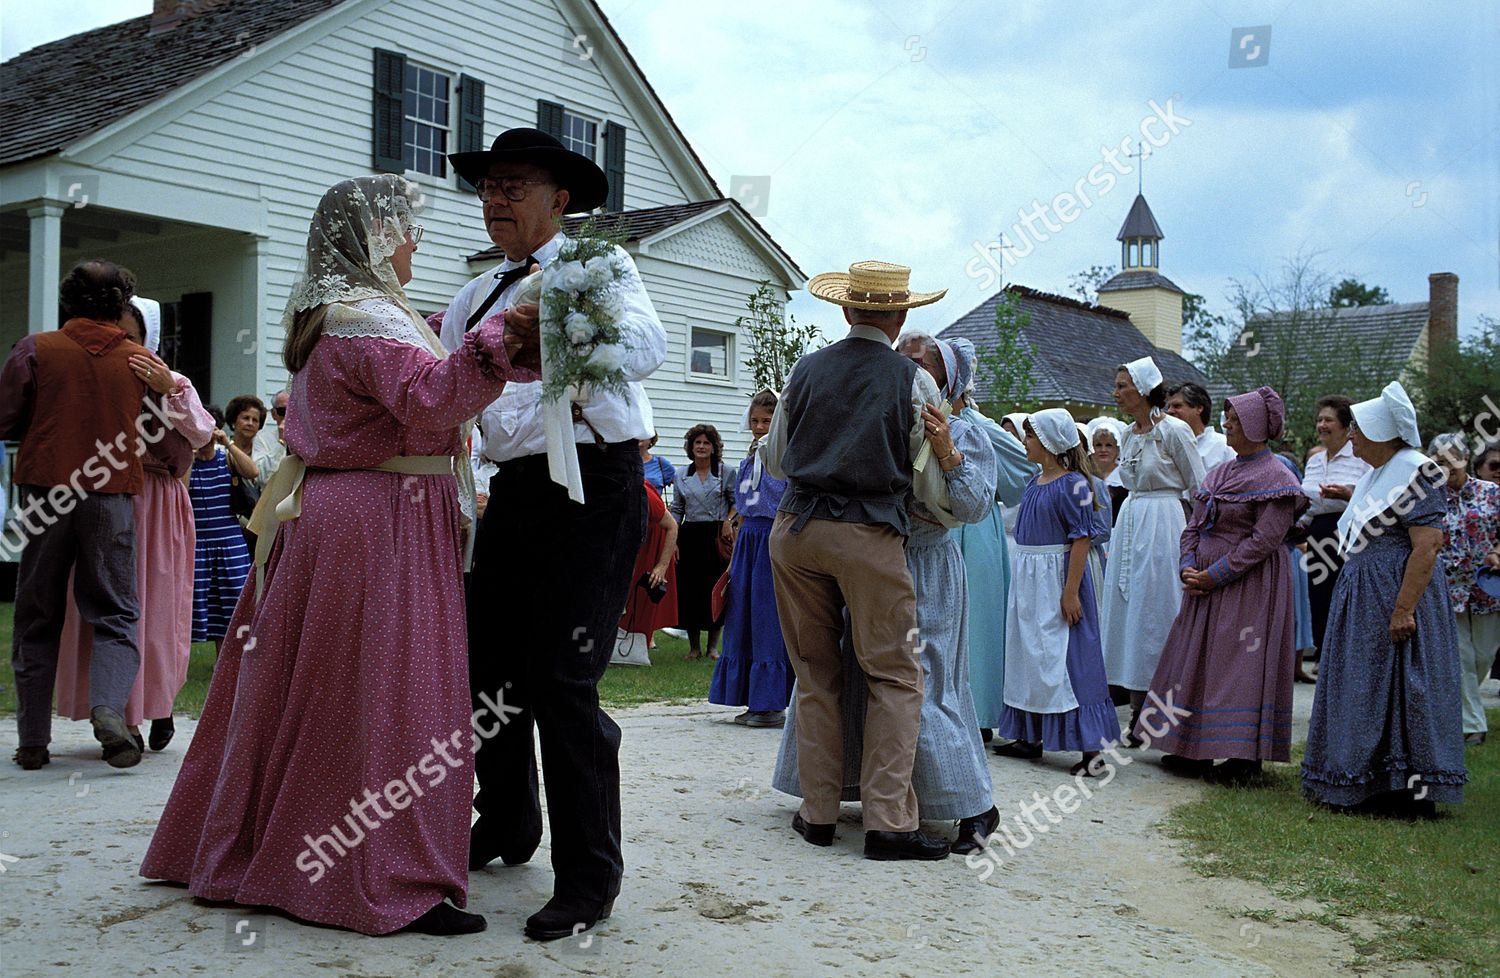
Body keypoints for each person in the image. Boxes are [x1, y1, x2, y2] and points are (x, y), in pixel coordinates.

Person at [142, 174, 535, 936]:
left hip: (346, 514)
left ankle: (291, 848)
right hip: (378, 519)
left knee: (323, 689)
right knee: (385, 693)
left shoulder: (345, 315)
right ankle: (384, 873)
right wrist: (506, 337)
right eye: (405, 228)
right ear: (376, 238)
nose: (416, 241)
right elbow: (431, 400)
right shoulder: (366, 320)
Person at [441, 128, 666, 940]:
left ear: (559, 200)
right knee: (487, 668)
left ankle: (588, 878)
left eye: (514, 186)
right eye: (488, 187)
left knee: (564, 682)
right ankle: (505, 820)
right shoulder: (471, 297)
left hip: (596, 488)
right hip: (514, 495)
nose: (495, 199)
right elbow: (445, 393)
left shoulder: (597, 268)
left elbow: (648, 345)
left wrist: (562, 330)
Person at [775, 333, 1002, 852]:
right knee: (861, 675)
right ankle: (854, 797)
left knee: (925, 681)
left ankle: (971, 807)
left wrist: (944, 449)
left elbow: (970, 506)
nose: (903, 365)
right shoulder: (887, 414)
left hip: (925, 566)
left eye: (918, 361)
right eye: (902, 356)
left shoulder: (966, 433)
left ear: (947, 377)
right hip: (875, 559)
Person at [763, 259, 953, 862]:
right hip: (868, 533)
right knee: (895, 675)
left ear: (846, 310)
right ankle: (888, 822)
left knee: (816, 673)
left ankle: (818, 813)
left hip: (796, 529)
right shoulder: (914, 381)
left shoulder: (806, 369)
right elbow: (926, 481)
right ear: (899, 317)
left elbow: (776, 461)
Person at [2, 259, 167, 771]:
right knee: (116, 613)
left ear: (67, 300)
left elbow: (6, 416)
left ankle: (33, 740)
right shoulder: (139, 360)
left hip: (46, 490)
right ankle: (107, 711)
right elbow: (168, 433)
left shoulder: (35, 348)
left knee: (36, 613)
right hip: (111, 495)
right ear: (122, 306)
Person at [53, 297, 215, 753]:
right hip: (107, 498)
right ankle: (122, 715)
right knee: (112, 606)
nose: (124, 345)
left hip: (158, 503)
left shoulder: (174, 381)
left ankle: (158, 705)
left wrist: (169, 390)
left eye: (132, 336)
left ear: (150, 338)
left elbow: (202, 437)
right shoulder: (97, 379)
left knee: (159, 610)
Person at [1301, 382, 1465, 815]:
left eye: (1358, 429)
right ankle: (1361, 779)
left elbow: (1427, 546)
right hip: (1362, 593)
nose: (1351, 435)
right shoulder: (1376, 474)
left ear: (1380, 432)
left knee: (1401, 683)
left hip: (1397, 594)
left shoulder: (1418, 472)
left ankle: (1405, 790)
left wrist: (1403, 609)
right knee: (1363, 682)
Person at [1133, 388, 1308, 781]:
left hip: (1250, 586)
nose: (1226, 423)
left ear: (1256, 426)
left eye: (1234, 419)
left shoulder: (1277, 476)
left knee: (1239, 665)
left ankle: (1243, 755)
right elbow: (1194, 524)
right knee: (1196, 661)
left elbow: (1264, 541)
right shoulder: (1221, 472)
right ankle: (1190, 746)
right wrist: (1187, 565)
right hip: (1204, 586)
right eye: (1227, 418)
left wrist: (1214, 575)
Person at [994, 409, 1120, 775]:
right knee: (1029, 654)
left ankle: (1091, 750)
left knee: (1072, 659)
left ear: (1049, 442)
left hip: (1057, 579)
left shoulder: (1074, 484)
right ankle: (1029, 734)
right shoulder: (1034, 483)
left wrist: (1070, 592)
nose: (1025, 443)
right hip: (1030, 581)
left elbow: (1080, 539)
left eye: (1030, 437)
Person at [1100, 357, 1205, 737]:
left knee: (1157, 610)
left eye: (1122, 385)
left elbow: (1199, 486)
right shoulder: (1127, 435)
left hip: (1164, 524)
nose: (1116, 393)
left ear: (1144, 389)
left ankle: (1167, 710)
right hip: (1130, 521)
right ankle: (1136, 709)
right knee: (1129, 615)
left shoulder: (1175, 431)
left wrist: (1199, 538)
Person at [944, 339, 1035, 740]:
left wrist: (990, 488)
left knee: (978, 620)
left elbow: (1026, 470)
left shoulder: (981, 428)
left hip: (977, 527)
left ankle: (979, 713)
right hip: (940, 525)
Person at [711, 389, 793, 725]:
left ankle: (770, 703)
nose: (759, 427)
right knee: (743, 617)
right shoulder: (748, 460)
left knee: (767, 620)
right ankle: (751, 699)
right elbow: (743, 509)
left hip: (773, 541)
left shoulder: (785, 460)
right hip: (748, 543)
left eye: (766, 421)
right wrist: (733, 560)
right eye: (755, 421)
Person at [1428, 433, 1500, 746]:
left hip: (1488, 585)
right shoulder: (1428, 497)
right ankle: (1472, 725)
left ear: (1465, 459)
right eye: (1438, 461)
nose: (1446, 466)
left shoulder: (1491, 492)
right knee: (1461, 656)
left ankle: (1467, 713)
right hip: (1447, 586)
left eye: (1451, 459)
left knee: (1484, 654)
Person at [1296, 395, 1371, 663]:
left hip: (1350, 534)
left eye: (1328, 420)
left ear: (1344, 425)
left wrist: (1347, 495)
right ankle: (1326, 659)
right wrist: (1297, 527)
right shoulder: (1316, 461)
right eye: (1319, 420)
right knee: (1320, 599)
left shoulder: (1361, 457)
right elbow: (1310, 505)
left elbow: (1375, 499)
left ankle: (1352, 658)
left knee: (1349, 597)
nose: (1322, 425)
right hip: (1319, 533)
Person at [188, 414, 253, 657]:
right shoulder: (189, 462)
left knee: (233, 600)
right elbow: (181, 490)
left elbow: (253, 471)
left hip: (230, 543)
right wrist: (189, 452)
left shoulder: (226, 459)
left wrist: (228, 443)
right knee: (203, 603)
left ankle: (229, 660)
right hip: (198, 544)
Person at [671, 424, 735, 659]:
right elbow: (677, 509)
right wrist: (673, 538)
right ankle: (694, 647)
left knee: (714, 588)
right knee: (690, 590)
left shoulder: (726, 472)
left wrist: (729, 520)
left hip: (715, 536)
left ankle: (712, 647)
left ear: (713, 447)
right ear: (690, 447)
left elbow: (736, 501)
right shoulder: (681, 474)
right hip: (690, 537)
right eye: (697, 442)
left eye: (706, 443)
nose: (701, 447)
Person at [617, 481, 678, 662]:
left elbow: (672, 526)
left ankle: (637, 645)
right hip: (629, 543)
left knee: (639, 596)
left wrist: (661, 566)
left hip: (653, 543)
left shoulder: (644, 494)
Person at [1275, 450, 1318, 683]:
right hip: (1285, 551)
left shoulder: (1300, 500)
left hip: (1295, 554)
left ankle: (1297, 665)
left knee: (1300, 609)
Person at [1168, 381, 1235, 478]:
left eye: (1177, 406)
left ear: (1199, 408)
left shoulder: (1223, 447)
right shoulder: (1166, 447)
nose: (1169, 411)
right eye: (1168, 407)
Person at [1087, 415, 1128, 516]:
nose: (1103, 450)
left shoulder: (1126, 476)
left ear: (1117, 449)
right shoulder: (1085, 474)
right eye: (1098, 445)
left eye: (1109, 445)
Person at [252, 389, 289, 488]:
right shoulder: (262, 440)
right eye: (283, 411)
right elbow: (262, 477)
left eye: (294, 410)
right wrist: (281, 442)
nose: (289, 416)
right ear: (273, 414)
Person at [640, 433, 676, 497]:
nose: (639, 437)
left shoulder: (661, 463)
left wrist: (676, 504)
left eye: (642, 433)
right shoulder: (622, 463)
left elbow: (683, 486)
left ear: (651, 439)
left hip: (653, 506)